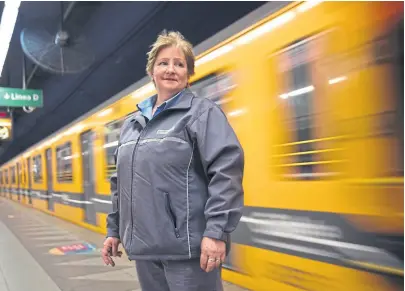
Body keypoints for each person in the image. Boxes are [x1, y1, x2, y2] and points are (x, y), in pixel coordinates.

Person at [102, 30, 244, 291]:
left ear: (188, 75)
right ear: (151, 71)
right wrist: (114, 230)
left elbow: (226, 172)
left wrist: (216, 232)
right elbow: (120, 183)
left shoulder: (202, 114)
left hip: (188, 251)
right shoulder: (132, 125)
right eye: (164, 63)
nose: (171, 69)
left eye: (180, 64)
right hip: (145, 250)